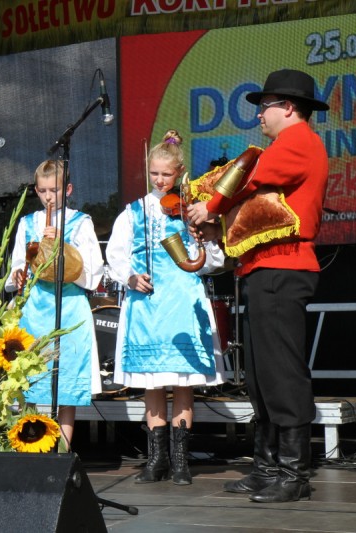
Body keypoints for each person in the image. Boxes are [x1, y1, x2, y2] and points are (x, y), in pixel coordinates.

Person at [187, 69, 329, 502]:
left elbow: (248, 176)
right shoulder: (287, 145)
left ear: (288, 107)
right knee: (262, 376)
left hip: (284, 269)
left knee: (282, 373)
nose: (259, 116)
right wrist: (218, 225)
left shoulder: (298, 141)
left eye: (264, 106)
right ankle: (268, 468)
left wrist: (209, 206)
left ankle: (293, 474)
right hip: (264, 269)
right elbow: (256, 204)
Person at [106, 130, 225, 485]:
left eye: (167, 175)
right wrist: (130, 278)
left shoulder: (190, 210)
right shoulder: (133, 212)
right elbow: (115, 255)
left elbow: (210, 261)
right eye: (154, 174)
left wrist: (204, 240)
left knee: (182, 383)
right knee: (153, 384)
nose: (160, 180)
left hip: (183, 300)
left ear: (180, 173)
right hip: (148, 305)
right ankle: (156, 459)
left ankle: (181, 460)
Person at [5, 159, 104, 448]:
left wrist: (61, 244)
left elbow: (92, 271)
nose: (49, 197)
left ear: (68, 189)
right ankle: (33, 445)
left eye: (56, 191)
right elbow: (16, 267)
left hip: (70, 307)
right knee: (32, 380)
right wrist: (19, 274)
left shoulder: (80, 222)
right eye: (44, 191)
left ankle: (62, 450)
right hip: (35, 309)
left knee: (66, 383)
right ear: (36, 190)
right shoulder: (27, 223)